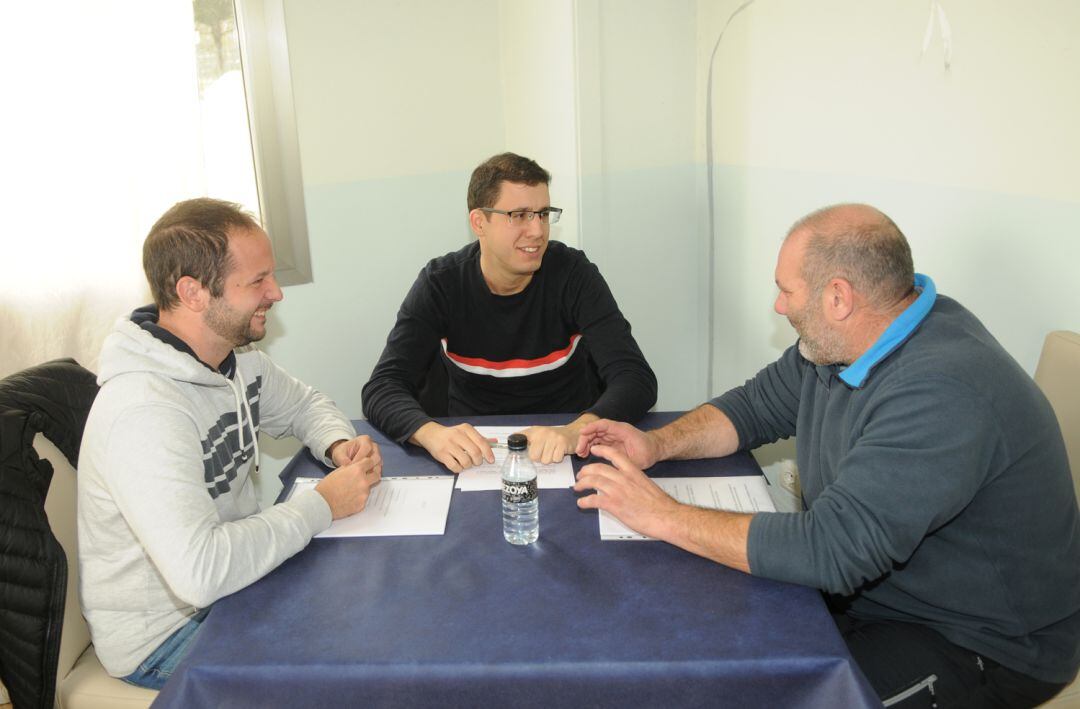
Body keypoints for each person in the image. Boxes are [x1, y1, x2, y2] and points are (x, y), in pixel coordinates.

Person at [574, 204, 1080, 707]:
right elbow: (753, 407)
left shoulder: (941, 389)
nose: (778, 306)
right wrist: (658, 444)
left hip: (975, 642)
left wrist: (663, 515)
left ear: (838, 296)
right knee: (703, 648)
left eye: (786, 290)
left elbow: (832, 551)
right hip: (874, 598)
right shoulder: (848, 340)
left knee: (757, 693)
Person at [78, 198, 383, 688]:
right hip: (165, 633)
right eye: (257, 280)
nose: (276, 293)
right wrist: (322, 504)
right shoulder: (144, 410)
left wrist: (337, 444)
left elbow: (307, 405)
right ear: (193, 292)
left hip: (231, 586)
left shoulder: (236, 361)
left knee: (368, 612)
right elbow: (200, 573)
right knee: (346, 673)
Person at [362, 152, 656, 472]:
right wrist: (431, 434)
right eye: (519, 215)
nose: (537, 231)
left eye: (543, 214)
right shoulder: (441, 284)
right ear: (479, 223)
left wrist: (575, 431)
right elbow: (383, 386)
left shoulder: (573, 274)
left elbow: (635, 378)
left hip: (565, 447)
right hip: (475, 452)